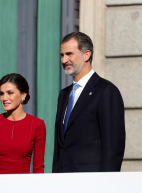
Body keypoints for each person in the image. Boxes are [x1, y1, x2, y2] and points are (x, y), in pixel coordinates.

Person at [53, 32, 125, 173]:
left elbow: (113, 147)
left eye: (69, 54)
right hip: (63, 183)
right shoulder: (64, 94)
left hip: (92, 183)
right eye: (62, 55)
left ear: (86, 55)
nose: (63, 60)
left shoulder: (106, 91)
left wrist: (106, 184)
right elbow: (59, 148)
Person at [0, 73, 46, 174]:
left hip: (23, 186)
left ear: (23, 95)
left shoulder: (37, 125)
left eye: (10, 93)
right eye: (1, 93)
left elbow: (38, 167)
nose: (4, 98)